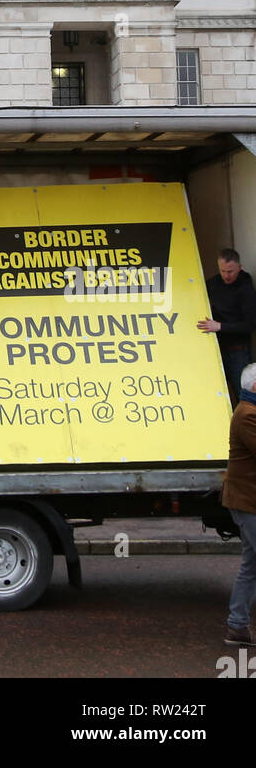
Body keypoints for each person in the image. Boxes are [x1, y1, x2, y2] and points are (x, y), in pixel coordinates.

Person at [221, 360, 256, 644]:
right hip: (248, 502)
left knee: (251, 566)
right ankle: (237, 625)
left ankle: (238, 626)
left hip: (249, 501)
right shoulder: (247, 415)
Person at [199, 249, 256, 403]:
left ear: (240, 267)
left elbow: (250, 324)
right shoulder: (212, 283)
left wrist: (220, 326)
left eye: (230, 271)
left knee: (245, 396)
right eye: (222, 271)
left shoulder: (245, 286)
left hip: (237, 351)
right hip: (216, 349)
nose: (226, 275)